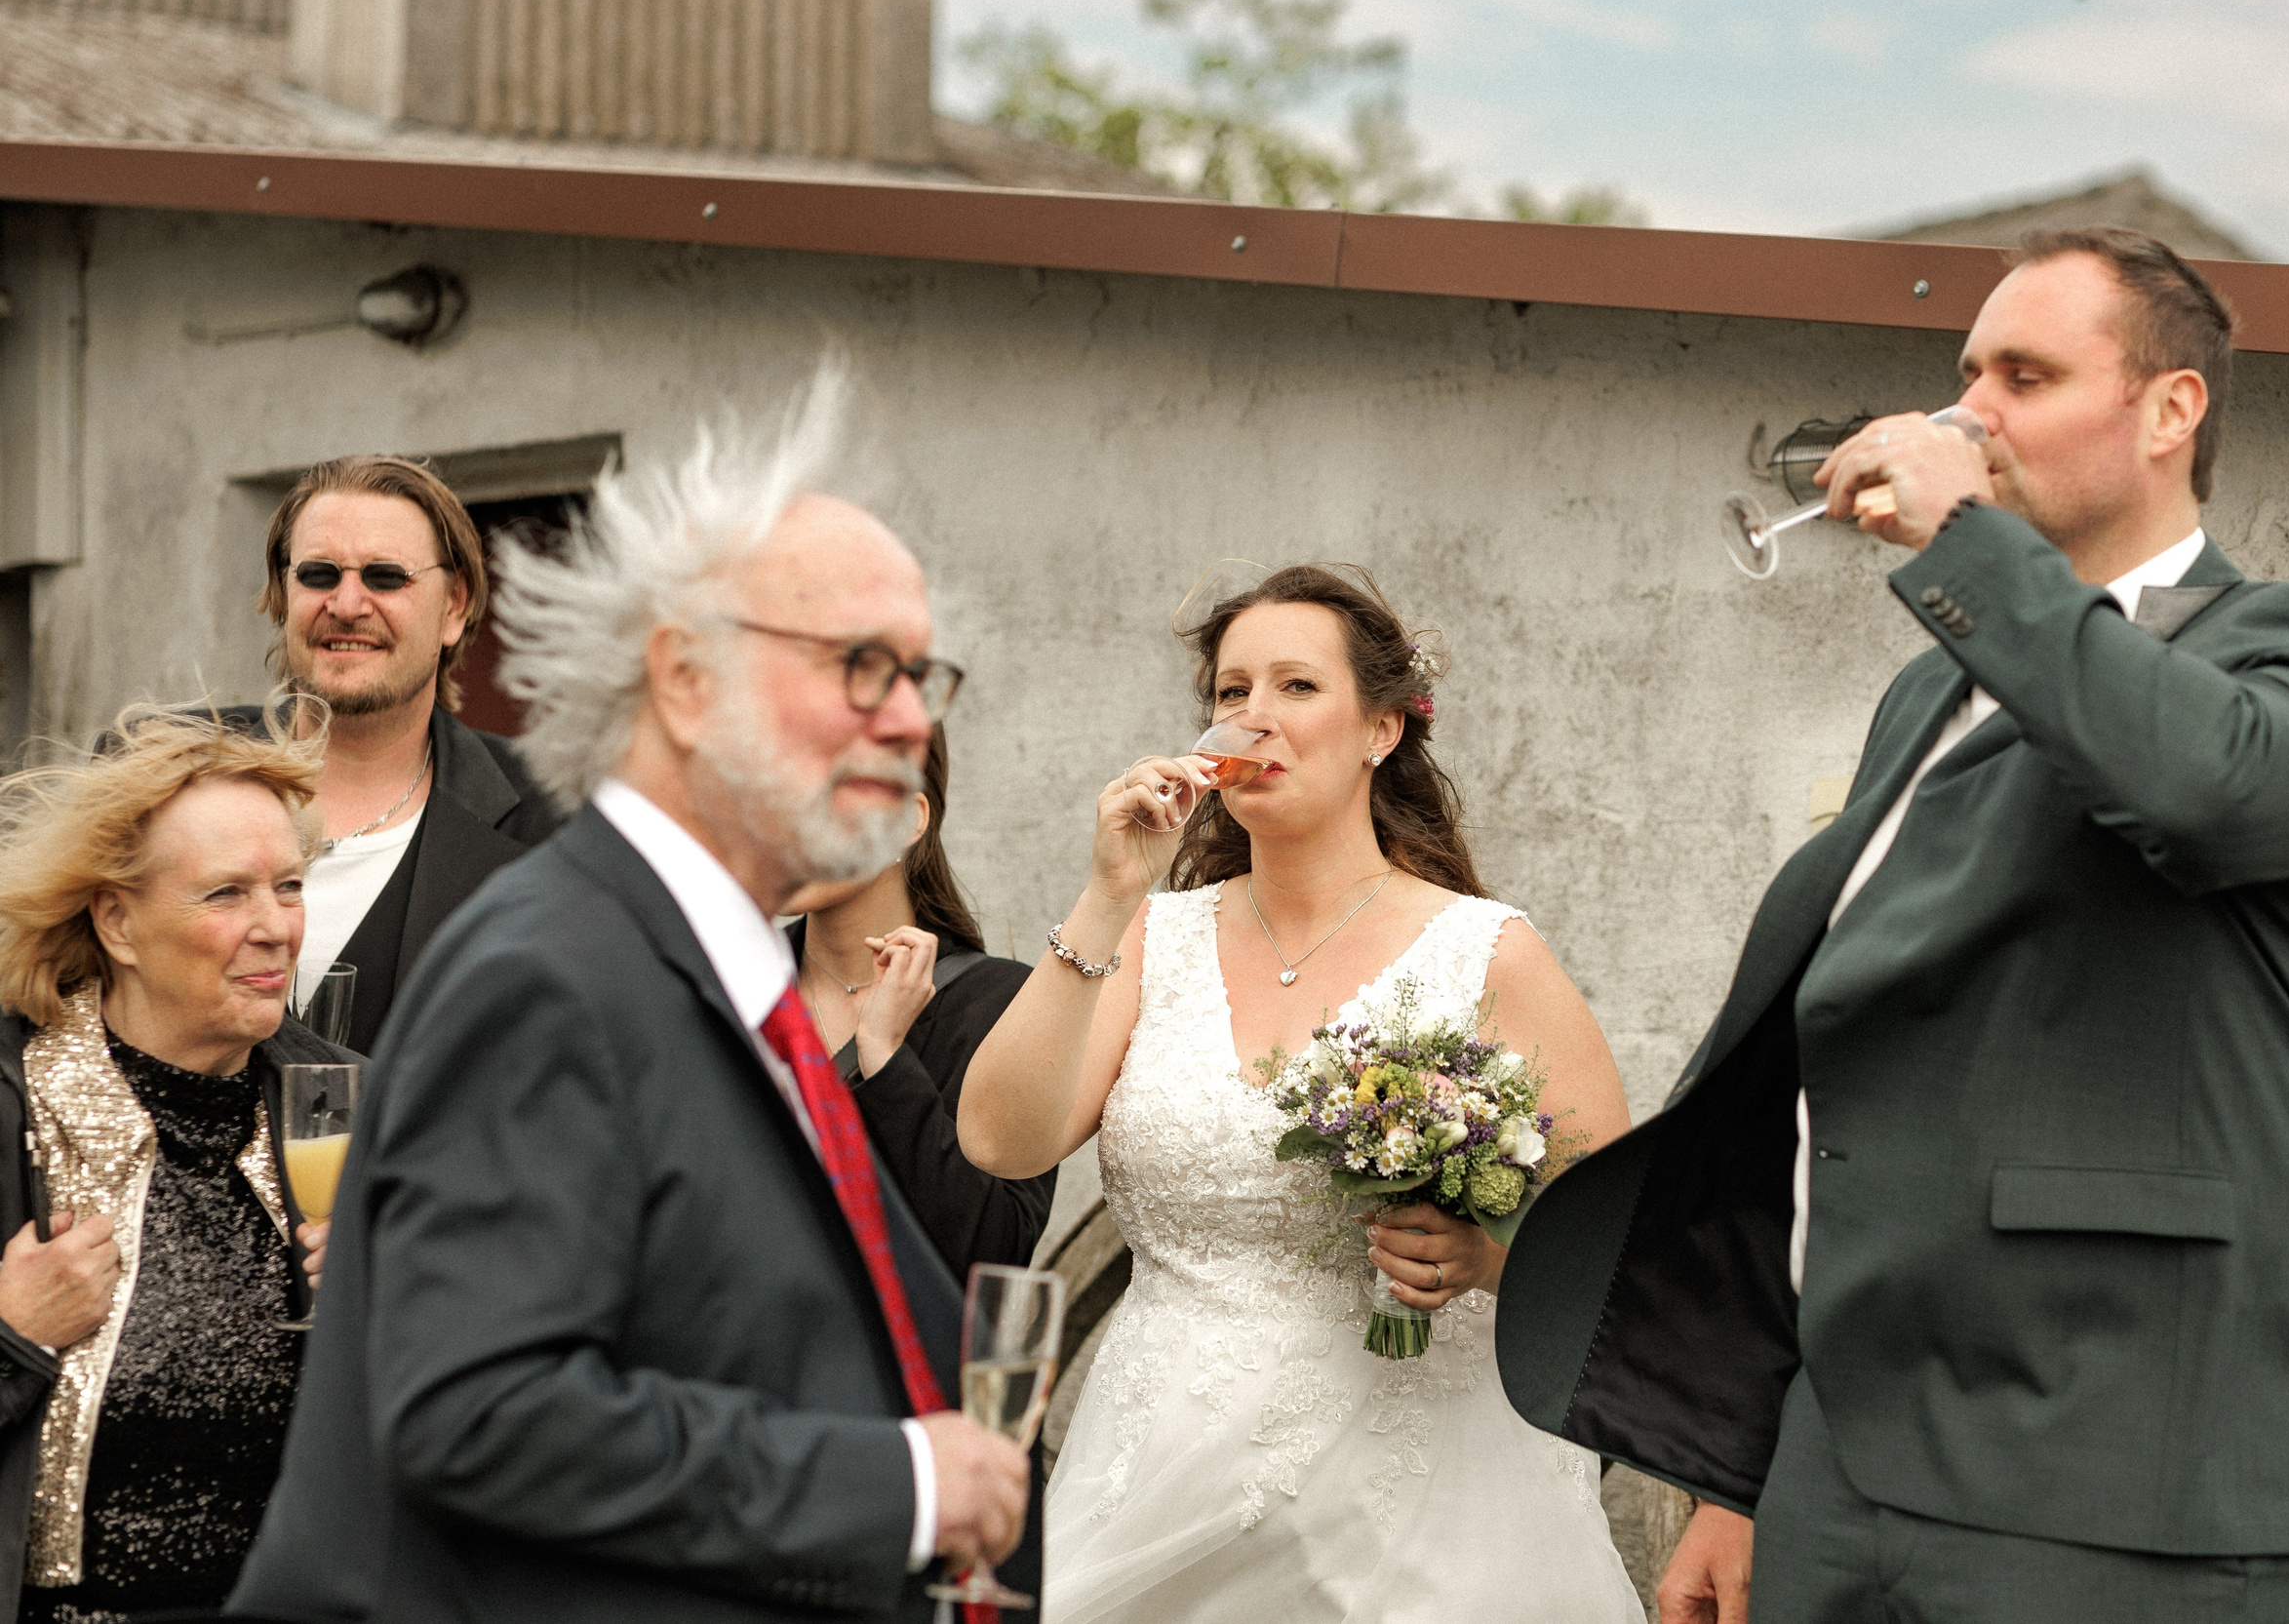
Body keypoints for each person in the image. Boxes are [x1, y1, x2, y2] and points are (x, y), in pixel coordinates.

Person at [1497, 227, 2289, 1624]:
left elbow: (2206, 791)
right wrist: (1745, 1469)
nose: (1967, 413)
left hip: (2123, 1470)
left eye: (2024, 377)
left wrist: (1968, 546)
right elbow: (1843, 1079)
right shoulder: (1929, 691)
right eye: (1966, 374)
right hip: (1844, 1466)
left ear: (2170, 409)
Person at [230, 373, 1035, 1623]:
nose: (905, 720)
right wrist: (901, 1485)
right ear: (686, 680)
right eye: (861, 666)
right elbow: (476, 1414)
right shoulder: (547, 975)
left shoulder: (711, 964)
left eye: (923, 676)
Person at [957, 563, 1647, 1624]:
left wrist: (1483, 1255)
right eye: (1231, 692)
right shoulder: (1154, 937)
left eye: (1296, 686)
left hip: (1418, 1509)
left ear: (1381, 728)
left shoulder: (1484, 951)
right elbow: (1001, 1139)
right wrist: (1108, 893)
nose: (1253, 718)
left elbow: (1625, 1243)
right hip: (1161, 1477)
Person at [0, 707, 355, 1623]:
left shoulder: (354, 1108)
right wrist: (13, 1332)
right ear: (118, 921)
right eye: (226, 893)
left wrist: (409, 1300)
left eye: (289, 885)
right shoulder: (14, 1107)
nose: (275, 926)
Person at [250, 455, 563, 1054]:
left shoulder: (553, 823)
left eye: (386, 577)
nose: (347, 605)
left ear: (454, 607)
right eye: (318, 575)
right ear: (284, 596)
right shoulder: (171, 776)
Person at [785, 723, 1053, 1280]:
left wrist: (885, 1060)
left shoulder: (999, 1004)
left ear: (909, 819)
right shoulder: (735, 986)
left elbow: (997, 1252)